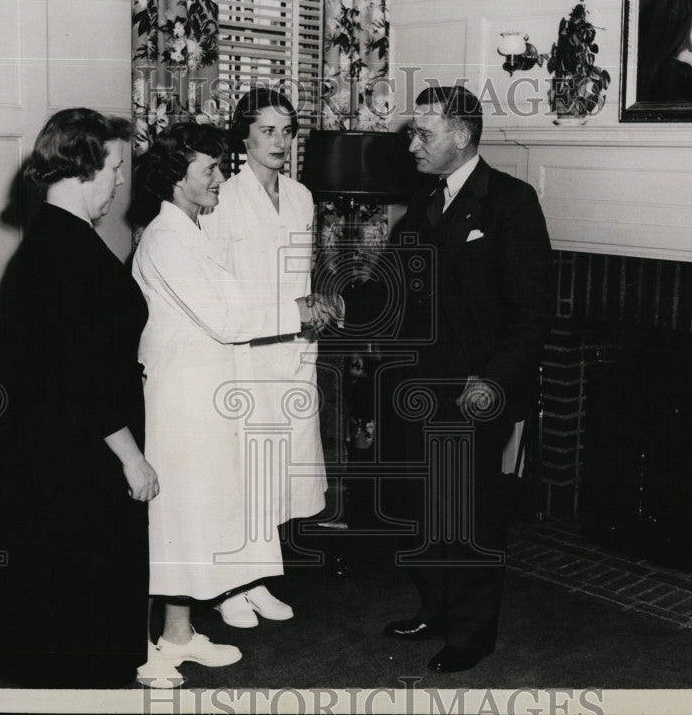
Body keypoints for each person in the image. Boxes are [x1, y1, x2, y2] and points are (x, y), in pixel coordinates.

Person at [131, 122, 339, 679]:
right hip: (181, 398)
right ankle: (169, 640)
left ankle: (179, 633)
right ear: (177, 179)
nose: (221, 177)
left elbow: (236, 299)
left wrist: (294, 303)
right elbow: (225, 318)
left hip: (207, 394)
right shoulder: (165, 237)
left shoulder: (190, 230)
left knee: (197, 517)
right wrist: (297, 310)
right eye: (209, 170)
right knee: (179, 518)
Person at [381, 86, 553, 673]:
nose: (412, 145)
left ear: (461, 135)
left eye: (422, 134)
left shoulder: (511, 201)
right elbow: (387, 286)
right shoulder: (423, 196)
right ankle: (437, 609)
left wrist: (495, 383)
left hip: (478, 389)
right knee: (427, 508)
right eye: (412, 133)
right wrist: (324, 304)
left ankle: (472, 633)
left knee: (471, 514)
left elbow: (533, 314)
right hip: (418, 385)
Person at [0, 108, 160, 688]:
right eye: (115, 167)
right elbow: (77, 374)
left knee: (72, 599)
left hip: (74, 447)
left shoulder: (60, 240)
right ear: (86, 167)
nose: (119, 181)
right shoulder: (61, 252)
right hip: (83, 454)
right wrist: (131, 457)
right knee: (82, 602)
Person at [199, 88, 331, 623]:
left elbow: (301, 272)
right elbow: (217, 285)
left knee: (278, 472)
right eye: (267, 131)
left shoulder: (301, 196)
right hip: (246, 351)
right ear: (244, 137)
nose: (279, 142)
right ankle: (230, 586)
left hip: (295, 352)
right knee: (242, 470)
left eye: (286, 131)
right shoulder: (220, 199)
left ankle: (258, 579)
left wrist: (314, 311)